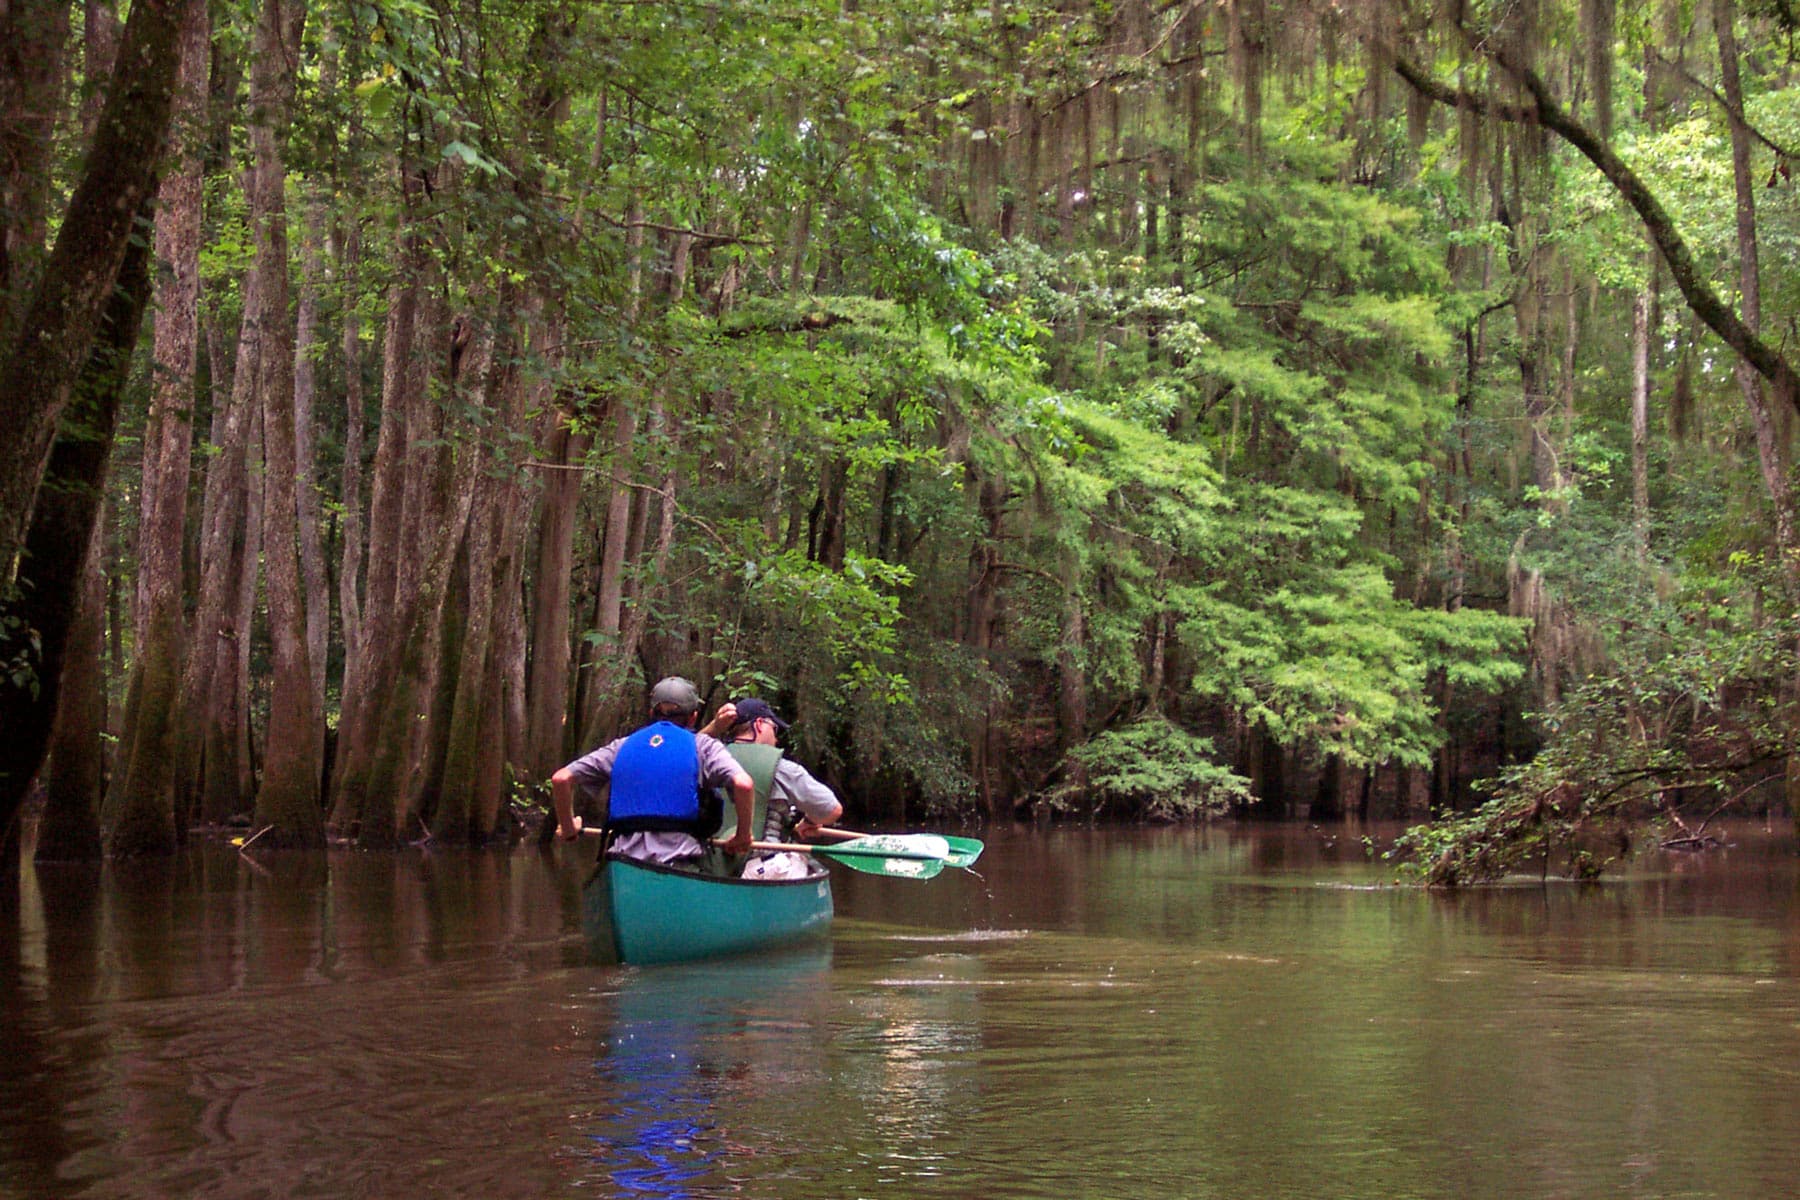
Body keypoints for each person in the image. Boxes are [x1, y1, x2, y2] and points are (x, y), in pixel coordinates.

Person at [552, 676, 755, 865]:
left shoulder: (621, 746)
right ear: (693, 718)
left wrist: (569, 827)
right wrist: (743, 837)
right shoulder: (704, 747)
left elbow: (561, 779)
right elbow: (743, 784)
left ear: (651, 713)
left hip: (622, 859)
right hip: (681, 861)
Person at [700, 697, 843, 879]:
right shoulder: (782, 768)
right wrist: (810, 822)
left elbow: (690, 746)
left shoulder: (708, 758)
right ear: (759, 724)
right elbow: (832, 810)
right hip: (760, 868)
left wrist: (713, 727)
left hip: (710, 865)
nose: (776, 739)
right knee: (799, 859)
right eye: (774, 729)